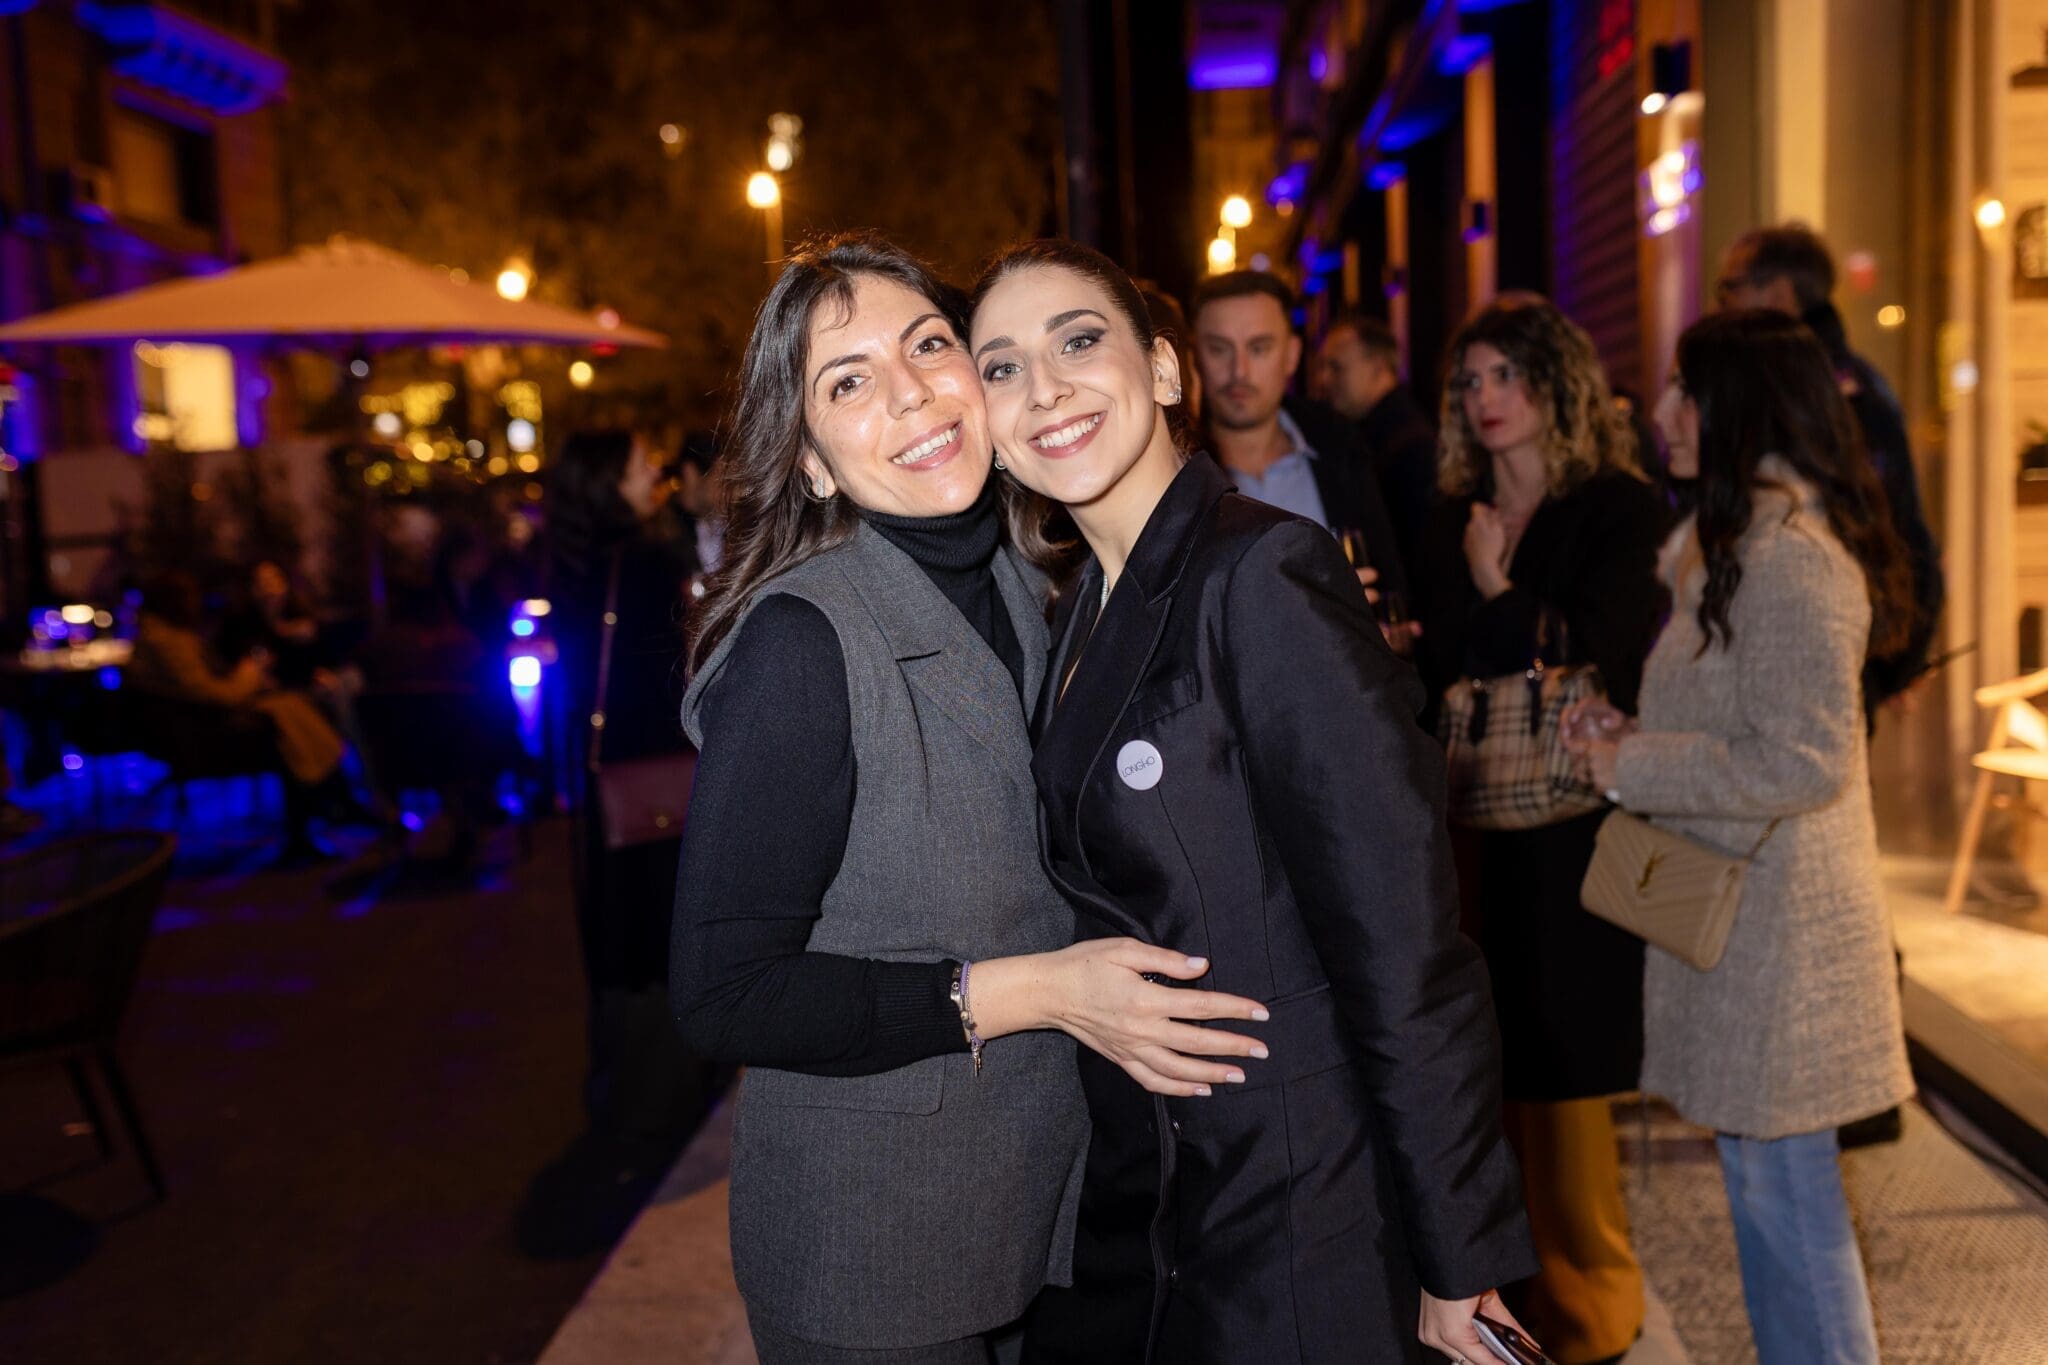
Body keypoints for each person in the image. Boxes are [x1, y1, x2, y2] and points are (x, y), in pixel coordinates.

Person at [671, 232, 1269, 1364]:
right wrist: (1047, 990)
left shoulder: (1026, 582)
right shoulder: (802, 644)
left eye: (928, 345)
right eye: (848, 383)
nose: (911, 394)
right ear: (809, 462)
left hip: (1041, 1208)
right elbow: (724, 994)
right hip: (873, 1255)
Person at [970, 238, 1535, 1365]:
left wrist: (1456, 1251)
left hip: (1296, 1206)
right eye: (1001, 366)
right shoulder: (1075, 607)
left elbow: (1402, 940)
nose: (1045, 390)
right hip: (1157, 1203)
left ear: (1162, 369)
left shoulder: (1260, 573)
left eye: (1077, 342)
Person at [1566, 309, 1916, 1365]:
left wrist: (1630, 763)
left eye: (1685, 389)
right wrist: (1629, 734)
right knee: (1770, 1206)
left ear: (1741, 408)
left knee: (1793, 1214)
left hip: (1784, 950)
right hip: (1744, 933)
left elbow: (1801, 759)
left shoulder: (1792, 559)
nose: (1663, 410)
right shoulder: (1737, 549)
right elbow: (1742, 721)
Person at [1412, 293, 1666, 1365]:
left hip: (1575, 830)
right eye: (1470, 381)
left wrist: (1496, 589)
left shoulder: (1614, 507)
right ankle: (1505, 1317)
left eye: (1506, 376)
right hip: (1471, 827)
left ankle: (1594, 1323)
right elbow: (1436, 661)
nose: (1485, 399)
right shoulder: (1448, 513)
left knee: (1565, 1077)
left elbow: (1611, 648)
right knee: (1485, 1065)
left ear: (1556, 384)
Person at [520, 427, 710, 1258]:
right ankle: (657, 1101)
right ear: (608, 483)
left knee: (618, 936)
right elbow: (679, 672)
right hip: (658, 782)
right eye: (639, 464)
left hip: (604, 790)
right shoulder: (644, 561)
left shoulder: (567, 561)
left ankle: (619, 1091)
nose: (655, 473)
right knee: (664, 932)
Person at [1716, 223, 1943, 722]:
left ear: (1779, 294)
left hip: (1815, 654)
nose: (1721, 305)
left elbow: (1897, 531)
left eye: (1729, 288)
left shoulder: (1815, 394)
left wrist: (1885, 668)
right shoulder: (1842, 383)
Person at [1189, 270, 1410, 604]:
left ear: (1292, 355)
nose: (1239, 371)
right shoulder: (1173, 472)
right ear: (1194, 356)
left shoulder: (1341, 450)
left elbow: (1388, 584)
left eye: (1259, 348)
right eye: (1219, 349)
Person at [127, 570, 349, 860]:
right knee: (287, 732)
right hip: (203, 737)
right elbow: (214, 694)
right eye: (191, 598)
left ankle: (333, 800)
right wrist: (248, 675)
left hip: (200, 726)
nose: (197, 604)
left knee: (292, 711)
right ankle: (323, 811)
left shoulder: (162, 637)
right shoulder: (168, 642)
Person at [1316, 313, 1439, 584]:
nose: (1324, 379)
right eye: (1322, 367)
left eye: (1336, 368)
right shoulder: (1366, 436)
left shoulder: (1409, 446)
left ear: (1378, 368)